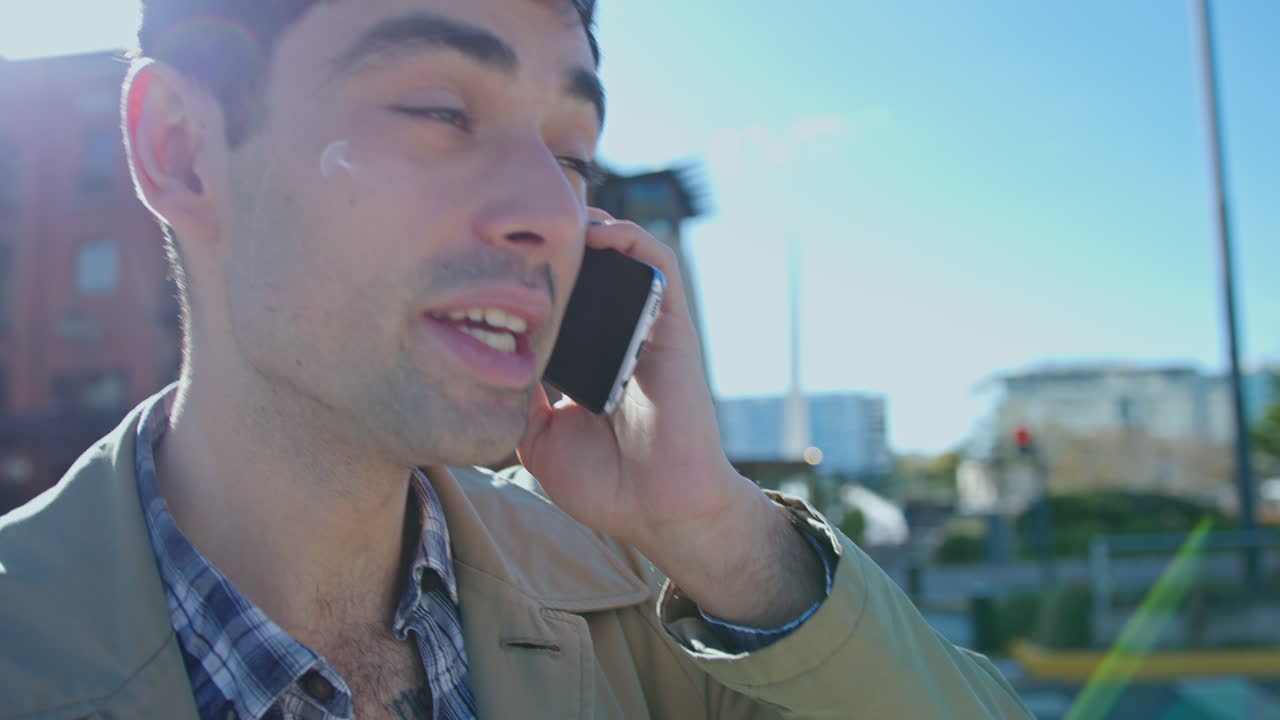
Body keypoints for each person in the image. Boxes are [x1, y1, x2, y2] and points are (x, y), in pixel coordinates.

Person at [0, 1, 1034, 718]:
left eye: (570, 156)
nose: (553, 210)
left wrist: (715, 529)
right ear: (181, 149)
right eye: (442, 113)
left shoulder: (667, 612)